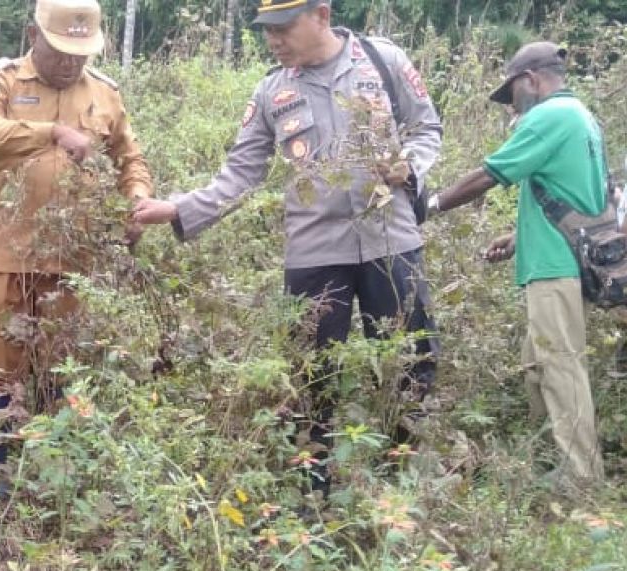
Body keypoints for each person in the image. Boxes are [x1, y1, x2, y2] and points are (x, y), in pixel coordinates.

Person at [131, 0, 441, 497]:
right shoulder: (273, 91)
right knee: (312, 371)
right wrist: (178, 209)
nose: (273, 40)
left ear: (321, 14)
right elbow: (241, 173)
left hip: (392, 239)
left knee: (411, 358)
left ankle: (399, 482)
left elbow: (427, 127)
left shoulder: (382, 61)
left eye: (283, 27)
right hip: (314, 253)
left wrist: (410, 164)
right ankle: (313, 488)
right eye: (266, 30)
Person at [0, 0, 153, 475]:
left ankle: (51, 468)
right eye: (60, 51)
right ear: (33, 35)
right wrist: (51, 132)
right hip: (2, 253)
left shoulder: (105, 94)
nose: (70, 62)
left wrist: (136, 198)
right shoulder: (3, 80)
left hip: (73, 257)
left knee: (61, 362)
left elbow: (130, 159)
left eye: (81, 53)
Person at [428, 41, 604, 485]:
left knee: (560, 369)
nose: (511, 104)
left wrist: (429, 205)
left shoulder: (550, 115)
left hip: (555, 270)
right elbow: (578, 196)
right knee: (538, 368)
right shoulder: (581, 117)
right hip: (556, 262)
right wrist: (516, 236)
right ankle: (549, 465)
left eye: (512, 93)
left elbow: (490, 174)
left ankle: (581, 482)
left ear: (531, 80)